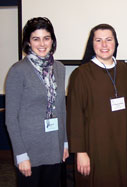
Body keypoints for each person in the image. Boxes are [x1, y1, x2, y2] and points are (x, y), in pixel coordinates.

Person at [67, 24, 127, 187]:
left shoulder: (125, 69)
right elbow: (75, 116)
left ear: (115, 43)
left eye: (108, 40)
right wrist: (80, 152)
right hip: (95, 147)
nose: (104, 45)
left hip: (124, 145)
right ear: (92, 44)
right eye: (99, 40)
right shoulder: (81, 74)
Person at [5, 17, 69, 187]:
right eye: (36, 38)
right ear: (28, 42)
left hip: (54, 146)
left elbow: (62, 108)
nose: (42, 43)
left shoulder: (60, 68)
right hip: (30, 151)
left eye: (46, 38)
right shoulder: (18, 71)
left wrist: (64, 142)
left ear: (52, 41)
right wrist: (20, 155)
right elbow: (11, 118)